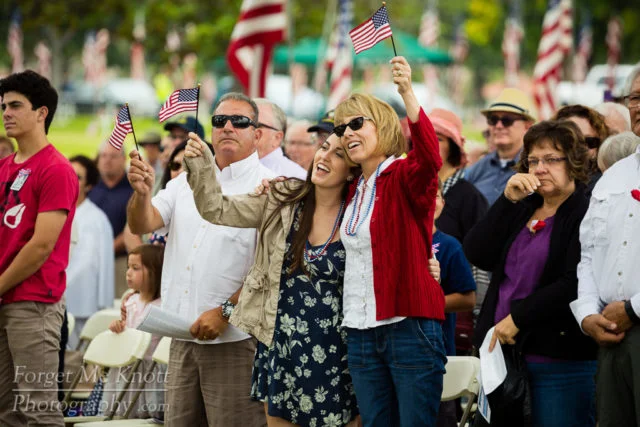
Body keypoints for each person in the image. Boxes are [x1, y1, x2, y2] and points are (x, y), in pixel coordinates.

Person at [184, 132, 360, 426]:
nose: (324, 157)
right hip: (281, 346)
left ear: (352, 170)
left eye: (338, 154)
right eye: (324, 147)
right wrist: (202, 164)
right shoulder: (283, 199)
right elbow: (216, 208)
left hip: (336, 354)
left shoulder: (359, 217)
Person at [127, 92, 273, 426]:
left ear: (257, 134)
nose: (228, 127)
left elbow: (267, 271)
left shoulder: (268, 186)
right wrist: (141, 193)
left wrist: (225, 313)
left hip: (234, 340)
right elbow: (141, 223)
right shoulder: (183, 182)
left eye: (240, 122)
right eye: (220, 121)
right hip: (181, 337)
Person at [334, 56, 446, 426]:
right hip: (360, 329)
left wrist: (407, 92)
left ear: (382, 126)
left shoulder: (402, 174)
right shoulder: (353, 187)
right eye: (341, 128)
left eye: (356, 123)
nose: (347, 133)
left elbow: (429, 158)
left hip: (408, 325)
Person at [464, 120, 598, 426]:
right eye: (533, 161)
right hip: (504, 360)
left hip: (558, 361)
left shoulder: (586, 211)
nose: (540, 169)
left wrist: (518, 318)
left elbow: (574, 282)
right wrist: (507, 200)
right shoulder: (524, 206)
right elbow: (476, 252)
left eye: (551, 159)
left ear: (574, 162)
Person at [0, 70, 79, 426]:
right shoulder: (3, 167)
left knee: (39, 410)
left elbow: (41, 246)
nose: (6, 113)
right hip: (4, 298)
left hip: (33, 303)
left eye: (16, 105)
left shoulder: (56, 169)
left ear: (41, 113)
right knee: (5, 412)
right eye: (4, 106)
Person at [570, 65, 640, 427]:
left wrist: (633, 309)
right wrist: (586, 314)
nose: (639, 106)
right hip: (611, 336)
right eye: (635, 98)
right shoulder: (613, 177)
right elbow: (589, 254)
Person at [431, 181, 476, 427]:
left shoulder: (449, 245)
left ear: (443, 203)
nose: (430, 201)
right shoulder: (394, 242)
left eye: (436, 195)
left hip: (438, 354)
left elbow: (468, 298)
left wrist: (426, 303)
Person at [104, 244, 164, 419]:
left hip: (149, 368)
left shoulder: (162, 305)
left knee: (149, 414)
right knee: (125, 411)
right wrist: (118, 326)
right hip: (128, 366)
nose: (128, 273)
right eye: (128, 267)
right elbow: (126, 325)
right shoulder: (130, 300)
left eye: (135, 268)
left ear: (155, 272)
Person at [66, 155, 114, 348]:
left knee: (77, 357)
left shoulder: (97, 219)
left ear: (88, 185)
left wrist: (104, 304)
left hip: (84, 300)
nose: (71, 180)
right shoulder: (53, 211)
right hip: (54, 298)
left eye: (78, 177)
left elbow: (102, 264)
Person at [465, 88, 536, 205]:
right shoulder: (479, 167)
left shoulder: (535, 167)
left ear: (527, 126)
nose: (498, 126)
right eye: (493, 120)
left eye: (507, 120)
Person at [89, 142, 133, 297]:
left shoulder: (133, 188)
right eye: (104, 156)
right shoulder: (90, 187)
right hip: (89, 260)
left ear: (124, 159)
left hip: (119, 262)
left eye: (113, 156)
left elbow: (133, 227)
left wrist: (108, 249)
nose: (107, 160)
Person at [553, 104, 611, 193]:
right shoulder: (538, 178)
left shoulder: (602, 187)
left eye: (589, 141)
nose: (580, 148)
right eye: (572, 139)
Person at [254, 99, 307, 179]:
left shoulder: (297, 177)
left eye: (256, 125)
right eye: (241, 123)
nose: (245, 129)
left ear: (277, 138)